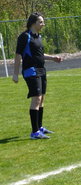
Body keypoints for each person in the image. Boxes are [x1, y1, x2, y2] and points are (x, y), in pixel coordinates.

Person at [12, 12, 63, 140]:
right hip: (31, 71)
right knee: (36, 99)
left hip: (41, 70)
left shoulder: (38, 36)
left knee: (41, 100)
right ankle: (34, 132)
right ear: (33, 23)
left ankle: (39, 127)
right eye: (41, 22)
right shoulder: (24, 37)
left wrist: (53, 58)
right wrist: (15, 73)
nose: (43, 24)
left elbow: (39, 54)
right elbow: (18, 55)